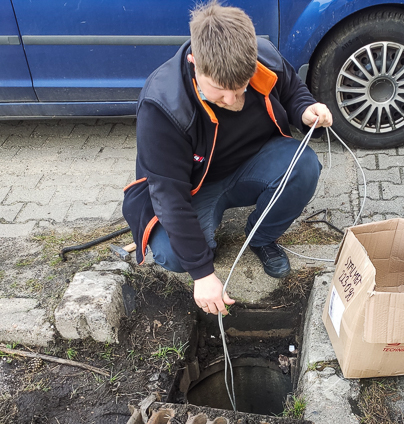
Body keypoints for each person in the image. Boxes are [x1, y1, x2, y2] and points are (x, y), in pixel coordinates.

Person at [122, 1, 332, 317]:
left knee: (303, 167)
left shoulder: (262, 57)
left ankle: (261, 238)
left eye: (241, 87)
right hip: (192, 188)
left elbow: (291, 88)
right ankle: (204, 237)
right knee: (173, 256)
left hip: (250, 165)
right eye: (219, 90)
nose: (232, 100)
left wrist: (305, 110)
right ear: (195, 63)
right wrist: (203, 274)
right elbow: (168, 197)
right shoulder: (162, 105)